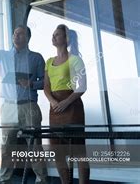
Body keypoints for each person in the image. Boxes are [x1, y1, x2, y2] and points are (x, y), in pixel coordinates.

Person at [0, 18, 48, 184]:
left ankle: (42, 180)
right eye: (14, 34)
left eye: (20, 34)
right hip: (8, 107)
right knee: (6, 147)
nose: (16, 37)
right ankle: (4, 181)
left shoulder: (36, 58)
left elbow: (46, 83)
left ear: (27, 38)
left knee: (35, 146)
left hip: (29, 107)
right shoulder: (3, 55)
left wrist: (32, 83)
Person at [44, 24, 89, 184]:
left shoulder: (75, 60)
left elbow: (82, 86)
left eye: (57, 35)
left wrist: (66, 102)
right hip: (54, 109)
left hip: (72, 107)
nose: (53, 37)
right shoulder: (49, 62)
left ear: (65, 38)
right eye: (53, 34)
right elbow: (46, 87)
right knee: (57, 150)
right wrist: (53, 102)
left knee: (78, 151)